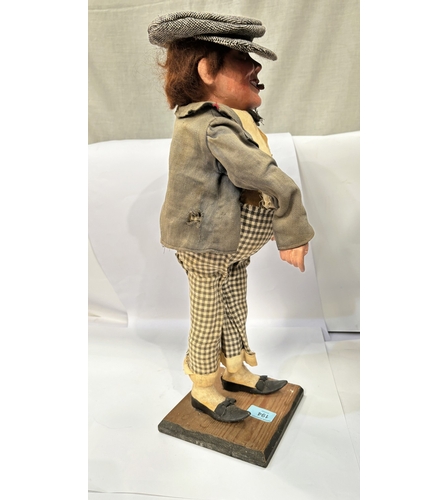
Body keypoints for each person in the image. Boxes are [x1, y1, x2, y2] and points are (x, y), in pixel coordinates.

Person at [148, 12, 315, 423]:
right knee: (208, 316)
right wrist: (293, 229)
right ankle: (204, 386)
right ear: (207, 70)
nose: (256, 68)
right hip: (206, 244)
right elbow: (261, 174)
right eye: (243, 58)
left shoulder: (230, 117)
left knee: (235, 305)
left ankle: (236, 368)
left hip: (229, 247)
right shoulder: (210, 126)